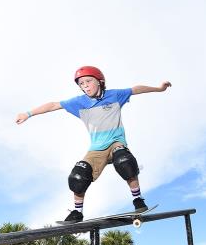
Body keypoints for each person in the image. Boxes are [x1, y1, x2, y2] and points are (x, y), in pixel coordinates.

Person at [16, 66, 172, 222]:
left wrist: (159, 89)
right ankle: (77, 212)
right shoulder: (79, 102)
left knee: (124, 161)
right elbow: (53, 105)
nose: (85, 86)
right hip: (96, 149)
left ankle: (138, 199)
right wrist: (28, 114)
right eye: (81, 84)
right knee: (77, 176)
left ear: (100, 81)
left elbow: (135, 89)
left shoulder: (115, 95)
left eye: (88, 81)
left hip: (116, 142)